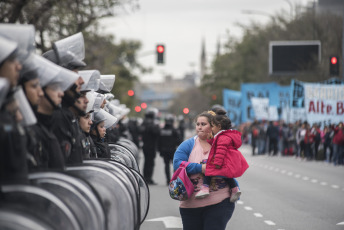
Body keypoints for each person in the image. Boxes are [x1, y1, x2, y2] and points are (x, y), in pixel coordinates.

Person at [173, 111, 236, 230]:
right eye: (198, 124)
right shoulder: (188, 144)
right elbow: (177, 164)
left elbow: (232, 166)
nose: (200, 127)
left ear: (212, 127)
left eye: (203, 124)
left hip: (219, 202)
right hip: (190, 204)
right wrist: (201, 167)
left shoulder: (221, 143)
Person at [195, 110, 248, 202]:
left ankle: (205, 188)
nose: (211, 128)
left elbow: (220, 150)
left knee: (209, 170)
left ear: (219, 126)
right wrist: (210, 140)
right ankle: (235, 189)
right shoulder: (225, 135)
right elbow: (216, 143)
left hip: (223, 160)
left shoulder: (222, 138)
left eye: (213, 126)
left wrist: (217, 163)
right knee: (227, 175)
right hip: (229, 160)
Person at [157, 115, 181, 185]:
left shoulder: (161, 130)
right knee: (175, 165)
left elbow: (158, 141)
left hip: (164, 150)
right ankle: (174, 179)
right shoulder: (174, 130)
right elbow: (179, 141)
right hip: (173, 150)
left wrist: (159, 150)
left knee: (166, 165)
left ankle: (168, 180)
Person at [140, 108, 160, 185]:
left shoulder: (144, 123)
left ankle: (146, 178)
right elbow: (157, 132)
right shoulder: (152, 124)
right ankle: (148, 178)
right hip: (151, 146)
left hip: (145, 145)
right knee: (150, 163)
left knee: (146, 162)